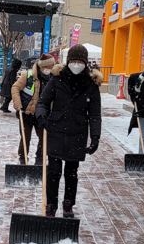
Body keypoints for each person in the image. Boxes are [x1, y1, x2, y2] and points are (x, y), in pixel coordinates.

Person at [35, 44, 103, 218]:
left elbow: (95, 114)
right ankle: (51, 205)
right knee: (53, 171)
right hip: (56, 130)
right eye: (73, 61)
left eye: (80, 62)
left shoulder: (91, 84)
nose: (76, 65)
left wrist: (95, 137)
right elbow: (43, 102)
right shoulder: (57, 79)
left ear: (85, 63)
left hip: (77, 133)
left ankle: (68, 204)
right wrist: (42, 116)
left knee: (71, 172)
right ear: (68, 62)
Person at [11, 53, 56, 165]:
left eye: (51, 67)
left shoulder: (53, 78)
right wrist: (18, 105)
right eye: (48, 67)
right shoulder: (28, 75)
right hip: (26, 112)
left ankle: (39, 159)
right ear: (42, 66)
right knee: (25, 137)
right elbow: (15, 88)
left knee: (44, 137)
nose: (49, 69)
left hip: (42, 114)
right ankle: (23, 159)